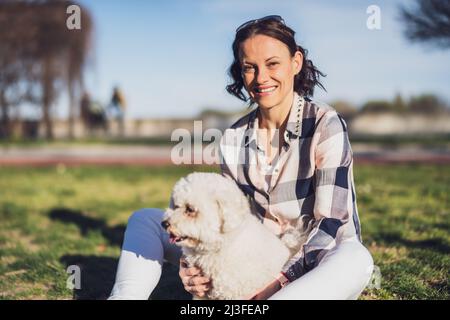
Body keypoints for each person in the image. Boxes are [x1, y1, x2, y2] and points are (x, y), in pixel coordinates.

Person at [109, 15, 374, 300]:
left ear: (295, 62)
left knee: (356, 257)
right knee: (144, 220)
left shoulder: (325, 124)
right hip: (257, 258)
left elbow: (331, 223)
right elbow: (217, 221)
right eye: (250, 67)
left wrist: (279, 280)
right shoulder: (234, 138)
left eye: (273, 64)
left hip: (317, 262)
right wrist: (189, 265)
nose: (261, 78)